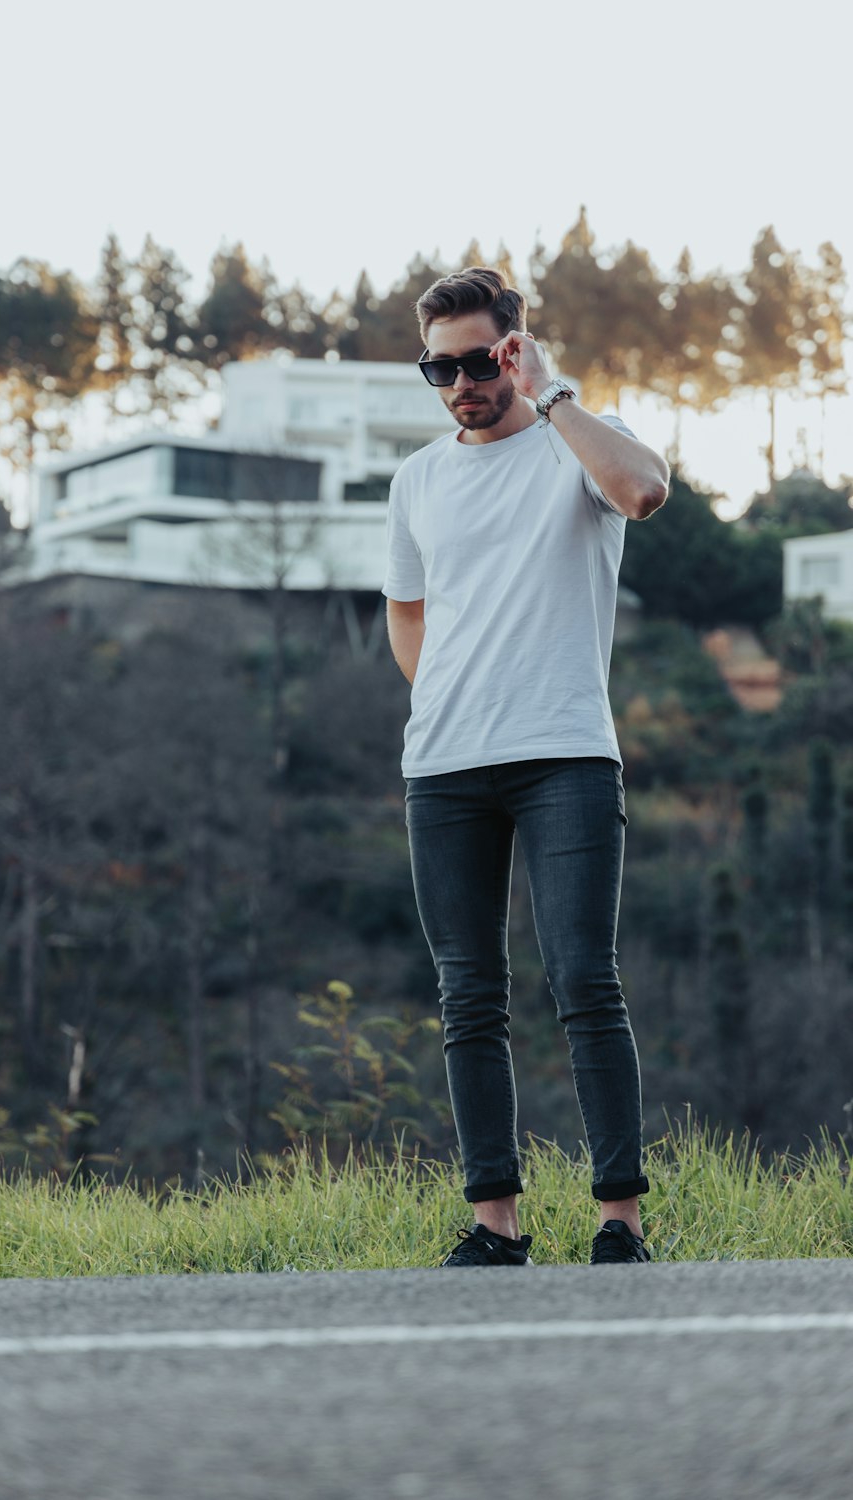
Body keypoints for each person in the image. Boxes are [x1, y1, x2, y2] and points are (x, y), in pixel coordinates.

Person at [382, 266, 670, 1267]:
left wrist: (553, 392)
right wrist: (447, 698)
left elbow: (643, 491)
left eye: (481, 359)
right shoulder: (416, 479)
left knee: (584, 983)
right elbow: (407, 613)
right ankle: (496, 1223)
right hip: (446, 770)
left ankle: (618, 1222)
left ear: (514, 348)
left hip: (565, 759)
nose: (463, 381)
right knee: (469, 994)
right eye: (441, 366)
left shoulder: (576, 445)